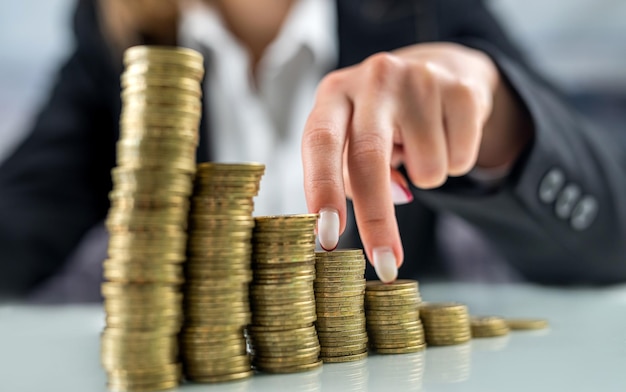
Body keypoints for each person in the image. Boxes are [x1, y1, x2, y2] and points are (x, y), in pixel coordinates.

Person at [0, 0, 624, 302]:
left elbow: (610, 223)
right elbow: (23, 217)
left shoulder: (428, 12)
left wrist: (497, 120)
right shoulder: (113, 29)